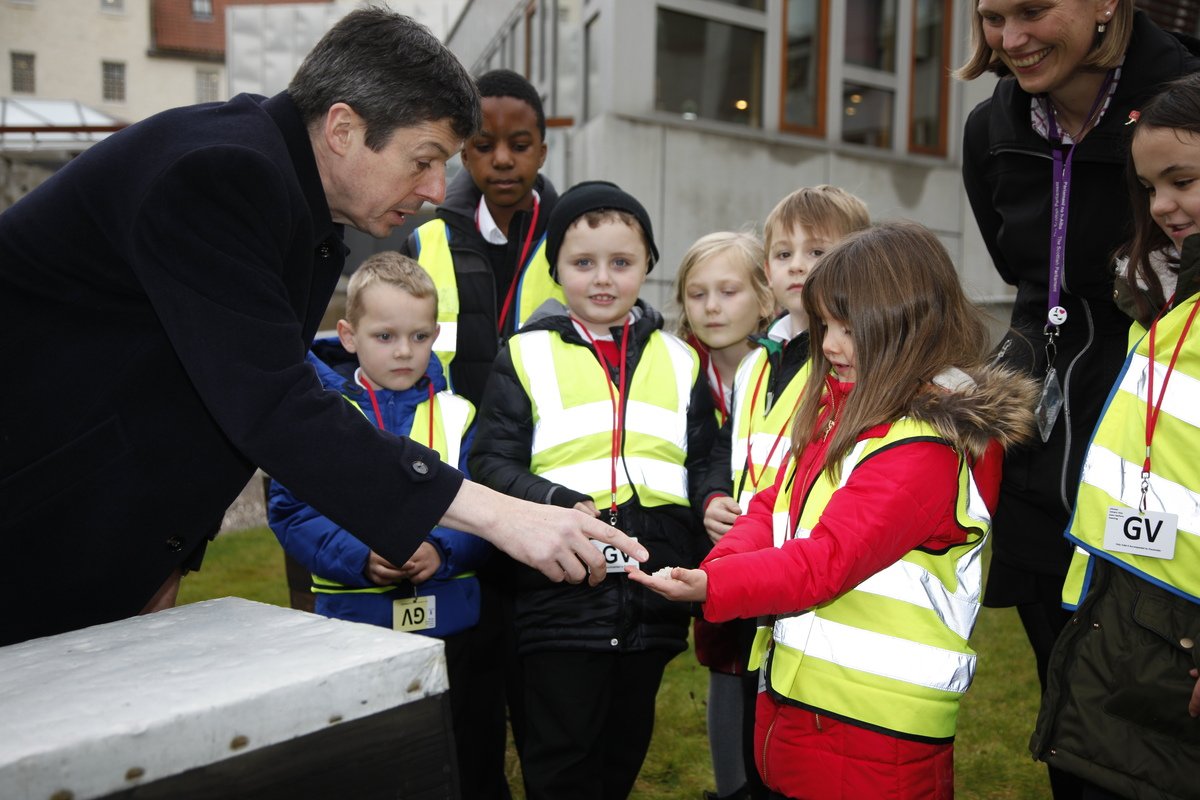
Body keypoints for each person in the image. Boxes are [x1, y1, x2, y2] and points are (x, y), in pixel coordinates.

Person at [0, 8, 643, 647]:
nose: (433, 189)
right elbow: (274, 406)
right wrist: (500, 516)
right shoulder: (222, 176)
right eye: (423, 159)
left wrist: (160, 557)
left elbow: (202, 397)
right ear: (343, 128)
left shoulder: (288, 195)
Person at [630, 221, 1039, 800]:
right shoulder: (842, 409)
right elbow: (773, 504)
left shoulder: (923, 449)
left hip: (874, 732)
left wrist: (714, 585)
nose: (828, 346)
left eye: (849, 329)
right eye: (825, 325)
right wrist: (718, 566)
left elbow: (827, 561)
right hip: (811, 710)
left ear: (908, 328)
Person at [958, 4, 1200, 795]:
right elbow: (1026, 279)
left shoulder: (1185, 97)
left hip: (1159, 442)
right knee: (1075, 706)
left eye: (1033, 9)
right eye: (993, 16)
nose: (1011, 39)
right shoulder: (990, 129)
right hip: (1042, 448)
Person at [468, 180, 717, 800]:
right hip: (561, 587)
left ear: (648, 264)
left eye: (621, 262)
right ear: (555, 269)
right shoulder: (523, 355)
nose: (602, 278)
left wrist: (712, 503)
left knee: (623, 748)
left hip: (652, 590)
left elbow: (704, 458)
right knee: (563, 754)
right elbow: (490, 461)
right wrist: (554, 500)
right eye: (583, 263)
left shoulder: (681, 359)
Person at [266, 253, 508, 799]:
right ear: (348, 336)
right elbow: (292, 512)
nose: (404, 351)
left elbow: (490, 509)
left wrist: (442, 550)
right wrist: (360, 554)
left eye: (419, 336)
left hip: (454, 624)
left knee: (467, 752)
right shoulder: (316, 418)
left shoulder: (459, 415)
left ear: (436, 336)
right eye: (385, 336)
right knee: (373, 759)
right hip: (355, 623)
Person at [1030, 72, 1200, 800]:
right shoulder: (1163, 301)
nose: (1162, 206)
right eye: (1150, 187)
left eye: (1183, 181)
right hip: (1125, 610)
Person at [692, 187, 869, 800]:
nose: (798, 266)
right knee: (732, 680)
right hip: (744, 552)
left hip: (800, 565)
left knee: (785, 707)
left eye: (818, 251)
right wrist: (713, 497)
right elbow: (726, 448)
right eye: (783, 253)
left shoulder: (849, 360)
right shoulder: (756, 361)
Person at [673, 230, 774, 800]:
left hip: (777, 560)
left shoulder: (786, 368)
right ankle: (730, 786)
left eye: (729, 291)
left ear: (764, 298)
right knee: (723, 662)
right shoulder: (675, 370)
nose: (712, 306)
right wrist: (706, 501)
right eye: (697, 293)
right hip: (706, 559)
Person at [402, 68, 563, 406]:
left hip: (543, 436)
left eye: (520, 146)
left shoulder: (573, 244)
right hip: (447, 436)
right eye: (485, 146)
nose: (502, 159)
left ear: (542, 153)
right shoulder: (422, 245)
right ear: (465, 156)